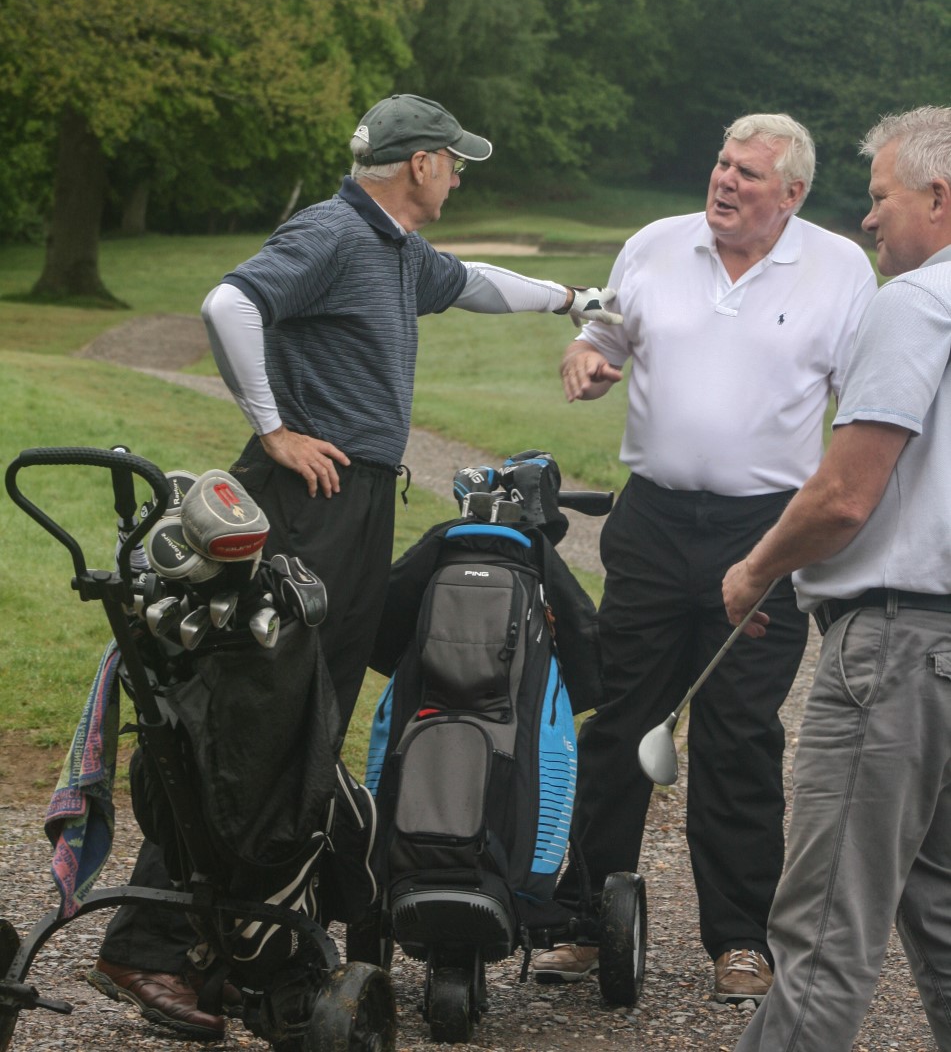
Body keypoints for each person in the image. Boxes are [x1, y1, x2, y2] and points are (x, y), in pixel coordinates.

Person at [86, 92, 621, 1038]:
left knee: (306, 727)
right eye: (454, 161)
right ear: (420, 164)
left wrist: (575, 302)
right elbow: (230, 302)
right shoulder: (336, 231)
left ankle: (232, 948)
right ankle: (150, 944)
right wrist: (275, 429)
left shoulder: (394, 250)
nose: (459, 175)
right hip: (309, 493)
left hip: (350, 496)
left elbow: (476, 283)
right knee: (261, 725)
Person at [531, 113, 878, 1003]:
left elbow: (862, 403)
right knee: (616, 720)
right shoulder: (654, 244)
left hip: (761, 534)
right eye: (721, 164)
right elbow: (602, 334)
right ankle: (579, 919)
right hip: (648, 524)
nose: (724, 183)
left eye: (748, 175)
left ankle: (738, 940)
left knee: (738, 735)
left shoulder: (840, 269)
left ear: (791, 194)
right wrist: (584, 356)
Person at [722, 105, 951, 1050]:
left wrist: (755, 567)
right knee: (940, 914)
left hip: (895, 651)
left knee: (821, 934)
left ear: (937, 199)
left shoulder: (914, 301)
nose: (867, 221)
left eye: (879, 199)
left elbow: (844, 497)